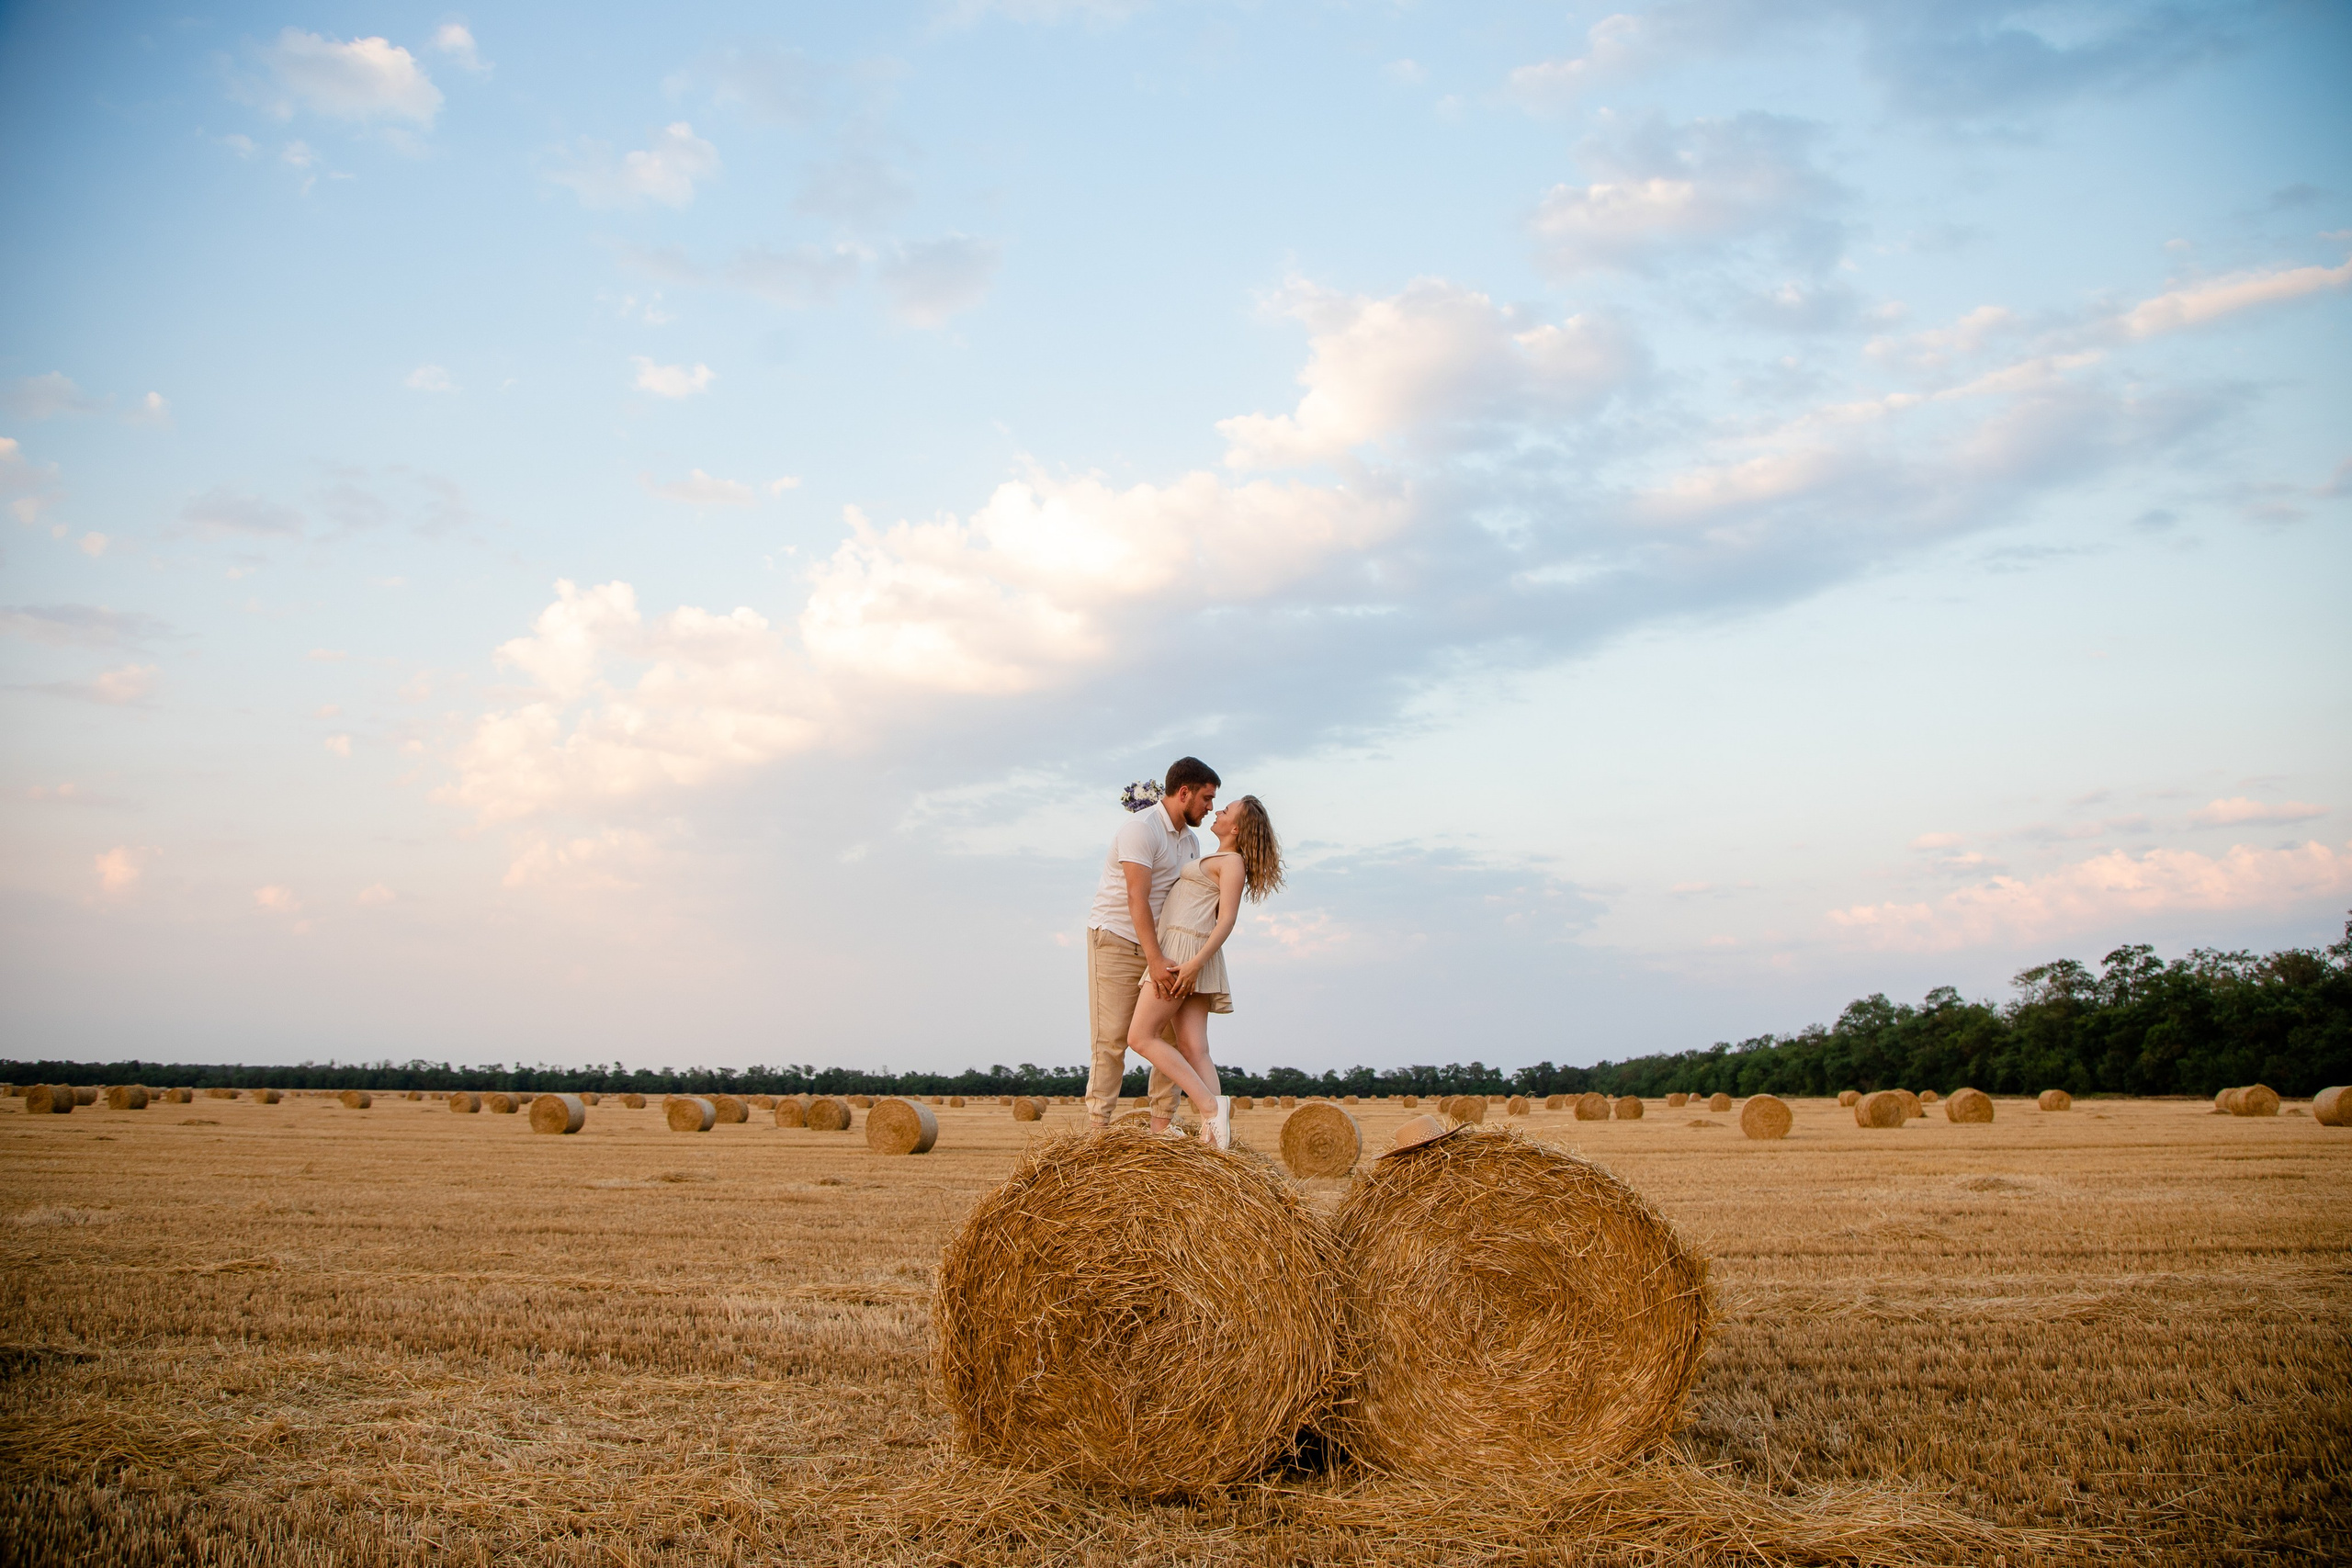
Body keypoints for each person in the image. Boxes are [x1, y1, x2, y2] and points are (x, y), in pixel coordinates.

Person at [1125, 793, 1284, 1150]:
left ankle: (1210, 1105)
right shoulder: (1213, 856)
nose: (1218, 810)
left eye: (1226, 810)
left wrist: (1194, 963)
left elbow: (1227, 919)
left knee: (1140, 1037)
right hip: (1189, 950)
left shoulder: (1232, 862)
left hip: (1186, 952)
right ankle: (1215, 1135)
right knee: (1194, 1047)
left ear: (1236, 827)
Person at [1083, 757, 1219, 1133]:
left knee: (1170, 1039)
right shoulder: (1140, 829)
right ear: (1184, 792)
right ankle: (1096, 1135)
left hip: (1164, 946)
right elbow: (1136, 899)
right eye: (1206, 798)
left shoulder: (1191, 842)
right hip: (1117, 940)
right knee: (1111, 1039)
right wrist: (1155, 958)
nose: (1210, 807)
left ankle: (1161, 1130)